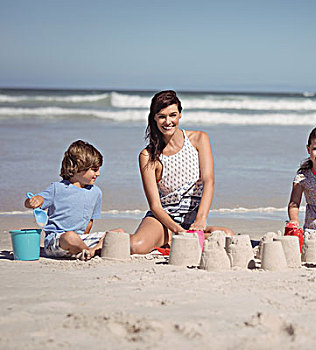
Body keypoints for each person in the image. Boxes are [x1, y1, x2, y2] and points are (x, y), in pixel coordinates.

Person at [130, 90, 234, 254]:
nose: (168, 121)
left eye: (173, 115)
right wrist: (178, 231)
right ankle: (171, 238)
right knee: (137, 247)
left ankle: (175, 239)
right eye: (162, 116)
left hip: (192, 220)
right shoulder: (147, 156)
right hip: (163, 221)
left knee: (228, 237)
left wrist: (201, 218)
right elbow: (155, 206)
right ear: (154, 118)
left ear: (180, 115)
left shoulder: (199, 139)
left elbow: (208, 181)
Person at [24, 140, 123, 261]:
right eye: (94, 169)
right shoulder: (58, 188)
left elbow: (89, 222)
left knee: (118, 232)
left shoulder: (96, 192)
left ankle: (88, 251)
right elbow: (35, 201)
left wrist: (82, 241)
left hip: (80, 240)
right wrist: (34, 200)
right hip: (56, 242)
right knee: (70, 237)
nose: (98, 173)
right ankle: (87, 251)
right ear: (78, 167)